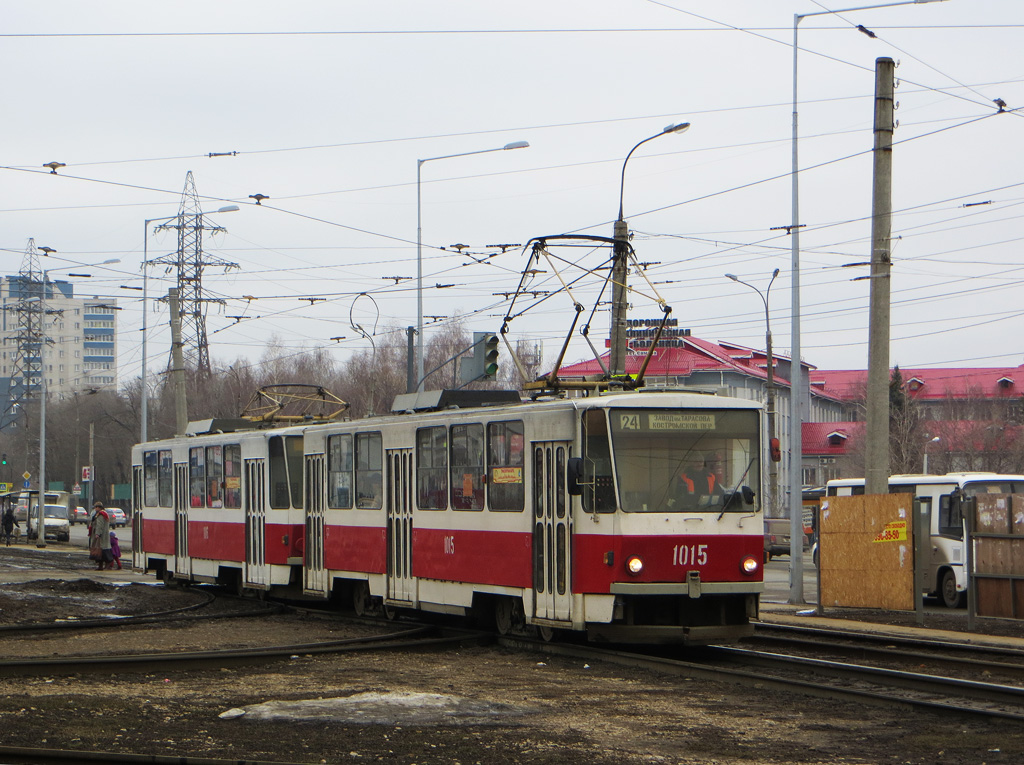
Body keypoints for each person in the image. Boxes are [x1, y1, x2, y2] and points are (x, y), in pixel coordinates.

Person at [88, 502, 113, 570]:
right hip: (102, 536)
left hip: (101, 537)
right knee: (100, 552)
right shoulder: (102, 514)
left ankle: (107, 565)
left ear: (100, 508)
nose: (95, 509)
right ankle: (100, 565)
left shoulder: (101, 515)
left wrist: (97, 534)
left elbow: (99, 525)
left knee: (102, 551)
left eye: (97, 507)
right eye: (95, 507)